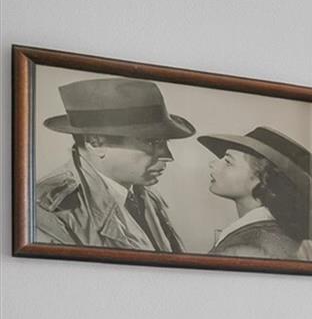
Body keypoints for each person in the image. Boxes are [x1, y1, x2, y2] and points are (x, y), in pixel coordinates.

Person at [33, 77, 193, 251]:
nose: (168, 156)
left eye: (165, 142)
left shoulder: (146, 198)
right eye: (151, 141)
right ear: (96, 143)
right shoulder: (48, 210)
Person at [196, 126, 312, 260]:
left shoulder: (248, 247)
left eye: (228, 161)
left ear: (263, 179)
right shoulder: (276, 235)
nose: (212, 164)